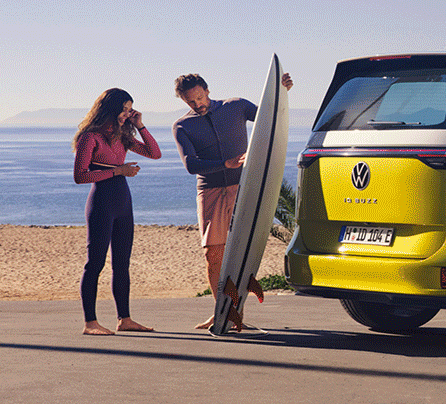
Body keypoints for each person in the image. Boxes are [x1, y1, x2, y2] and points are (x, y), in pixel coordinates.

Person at [173, 70, 291, 331]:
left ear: (207, 90)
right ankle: (221, 312)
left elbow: (268, 120)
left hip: (243, 186)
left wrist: (281, 93)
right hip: (210, 190)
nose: (198, 104)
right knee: (213, 254)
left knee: (242, 250)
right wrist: (223, 163)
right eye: (191, 102)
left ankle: (237, 312)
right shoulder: (182, 126)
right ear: (184, 101)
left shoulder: (235, 106)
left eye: (200, 97)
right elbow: (191, 164)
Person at [72, 88, 161, 336]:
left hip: (123, 203)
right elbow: (80, 176)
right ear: (109, 109)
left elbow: (155, 153)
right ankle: (90, 323)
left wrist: (140, 126)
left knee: (122, 264)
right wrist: (118, 171)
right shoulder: (90, 138)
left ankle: (125, 319)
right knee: (95, 263)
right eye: (123, 109)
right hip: (101, 202)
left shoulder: (123, 137)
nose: (126, 114)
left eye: (129, 109)